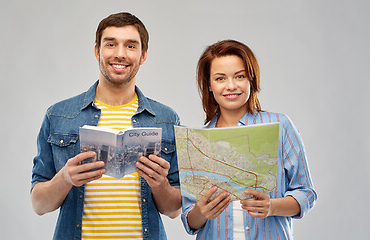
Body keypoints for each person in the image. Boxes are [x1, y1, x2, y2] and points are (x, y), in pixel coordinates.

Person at [31, 12, 181, 240]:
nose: (120, 54)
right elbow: (38, 205)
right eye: (111, 44)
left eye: (131, 46)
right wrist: (65, 178)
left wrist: (159, 184)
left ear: (143, 56)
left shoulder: (167, 119)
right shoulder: (59, 115)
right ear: (97, 51)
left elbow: (173, 210)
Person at [181, 40, 317, 239]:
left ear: (251, 80)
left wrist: (272, 206)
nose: (231, 86)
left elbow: (306, 193)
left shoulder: (280, 125)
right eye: (220, 78)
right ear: (209, 85)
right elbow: (189, 220)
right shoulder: (197, 141)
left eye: (240, 76)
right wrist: (201, 212)